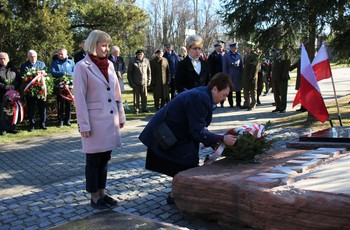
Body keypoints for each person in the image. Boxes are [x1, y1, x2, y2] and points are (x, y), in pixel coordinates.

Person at [139, 73, 237, 204]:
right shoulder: (200, 97)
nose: (224, 99)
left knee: (188, 162)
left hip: (176, 132)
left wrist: (209, 139)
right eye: (224, 95)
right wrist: (221, 138)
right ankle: (178, 195)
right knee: (187, 165)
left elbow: (197, 126)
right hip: (165, 133)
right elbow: (197, 130)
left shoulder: (204, 95)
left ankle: (176, 194)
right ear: (215, 89)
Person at [73, 29, 126, 210]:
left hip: (110, 120)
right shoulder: (82, 66)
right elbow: (79, 98)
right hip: (94, 121)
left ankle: (103, 192)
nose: (106, 48)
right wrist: (83, 125)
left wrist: (121, 115)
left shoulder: (110, 64)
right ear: (93, 45)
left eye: (108, 45)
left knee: (105, 158)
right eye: (103, 45)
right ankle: (94, 196)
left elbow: (117, 93)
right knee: (93, 160)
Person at [19, 50, 47, 131]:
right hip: (29, 89)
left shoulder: (41, 64)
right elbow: (22, 76)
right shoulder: (24, 65)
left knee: (42, 107)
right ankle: (32, 125)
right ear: (28, 57)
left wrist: (42, 73)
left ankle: (43, 124)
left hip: (40, 89)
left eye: (34, 56)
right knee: (30, 108)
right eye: (31, 56)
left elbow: (46, 74)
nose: (33, 58)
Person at [50, 48, 75, 127]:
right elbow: (52, 71)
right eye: (59, 54)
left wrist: (69, 74)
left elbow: (75, 72)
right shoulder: (54, 62)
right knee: (60, 104)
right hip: (59, 86)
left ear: (66, 54)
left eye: (62, 54)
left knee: (68, 104)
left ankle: (67, 120)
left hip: (69, 86)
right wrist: (62, 73)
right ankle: (60, 120)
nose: (60, 55)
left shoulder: (71, 62)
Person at [0, 52, 21, 135]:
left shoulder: (13, 69)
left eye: (4, 58)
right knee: (2, 112)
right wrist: (4, 86)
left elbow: (18, 80)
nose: (2, 60)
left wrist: (13, 86)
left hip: (12, 94)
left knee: (12, 111)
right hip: (2, 94)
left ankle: (11, 127)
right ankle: (3, 128)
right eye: (1, 59)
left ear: (7, 59)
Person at [127, 49, 151, 114]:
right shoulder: (132, 61)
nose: (140, 55)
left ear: (143, 55)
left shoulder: (146, 61)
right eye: (138, 54)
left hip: (144, 82)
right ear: (136, 55)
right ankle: (136, 109)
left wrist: (149, 81)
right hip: (136, 83)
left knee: (144, 96)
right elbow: (129, 73)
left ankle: (144, 108)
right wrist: (131, 83)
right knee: (136, 97)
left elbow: (149, 72)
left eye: (141, 54)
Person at [290, 36, 309, 112]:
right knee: (302, 91)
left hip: (305, 75)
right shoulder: (303, 49)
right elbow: (298, 62)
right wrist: (289, 68)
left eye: (303, 40)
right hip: (300, 74)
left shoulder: (307, 49)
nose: (301, 42)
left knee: (304, 91)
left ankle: (305, 107)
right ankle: (303, 106)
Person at [271, 44, 291, 113]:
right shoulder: (274, 54)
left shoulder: (285, 54)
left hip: (282, 77)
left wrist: (284, 75)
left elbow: (286, 65)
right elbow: (271, 65)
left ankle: (283, 107)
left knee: (283, 93)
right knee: (276, 93)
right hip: (275, 76)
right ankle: (278, 106)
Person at [222, 43, 243, 108]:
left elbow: (241, 66)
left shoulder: (239, 55)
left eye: (236, 48)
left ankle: (238, 103)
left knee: (238, 89)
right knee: (230, 89)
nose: (236, 49)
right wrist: (225, 76)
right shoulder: (226, 56)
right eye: (234, 48)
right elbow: (224, 67)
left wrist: (241, 75)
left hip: (237, 74)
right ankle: (231, 103)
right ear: (231, 48)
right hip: (230, 74)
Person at [242, 42, 260, 111]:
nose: (245, 48)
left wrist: (253, 76)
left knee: (252, 90)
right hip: (246, 75)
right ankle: (246, 103)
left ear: (250, 47)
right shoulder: (246, 55)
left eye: (247, 47)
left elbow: (255, 67)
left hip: (252, 75)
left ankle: (253, 104)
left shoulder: (255, 55)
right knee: (246, 89)